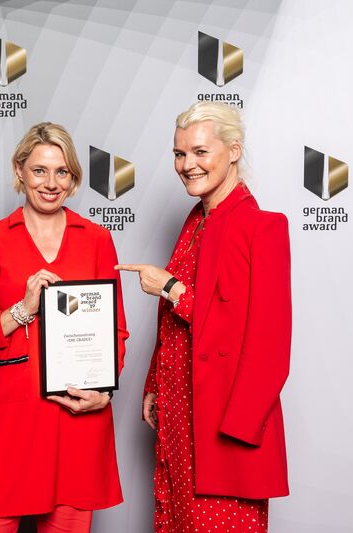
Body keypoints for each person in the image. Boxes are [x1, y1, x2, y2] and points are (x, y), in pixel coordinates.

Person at [117, 102, 291, 532]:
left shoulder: (262, 227)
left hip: (221, 418)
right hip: (180, 410)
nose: (187, 165)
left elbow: (265, 342)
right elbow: (173, 326)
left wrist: (171, 288)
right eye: (179, 154)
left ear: (233, 151)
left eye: (200, 152)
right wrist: (155, 384)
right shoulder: (196, 220)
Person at [0, 122, 129, 533]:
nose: (51, 183)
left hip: (75, 424)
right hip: (7, 424)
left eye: (61, 172)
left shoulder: (97, 240)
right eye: (39, 170)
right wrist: (22, 309)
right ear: (19, 171)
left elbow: (116, 332)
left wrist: (103, 391)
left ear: (73, 177)